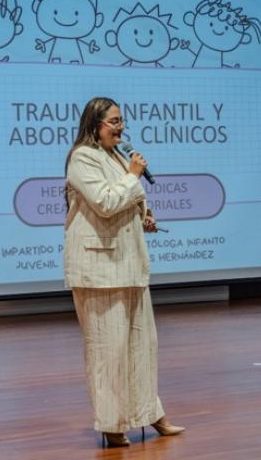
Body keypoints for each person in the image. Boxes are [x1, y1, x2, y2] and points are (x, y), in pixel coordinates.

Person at [63, 97, 185, 447]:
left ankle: (151, 414)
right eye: (112, 121)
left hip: (129, 264)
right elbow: (104, 202)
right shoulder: (82, 157)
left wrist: (144, 215)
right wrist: (132, 177)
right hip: (99, 270)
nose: (119, 127)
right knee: (108, 349)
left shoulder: (115, 155)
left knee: (142, 345)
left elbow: (124, 200)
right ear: (94, 124)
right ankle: (112, 424)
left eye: (121, 121)